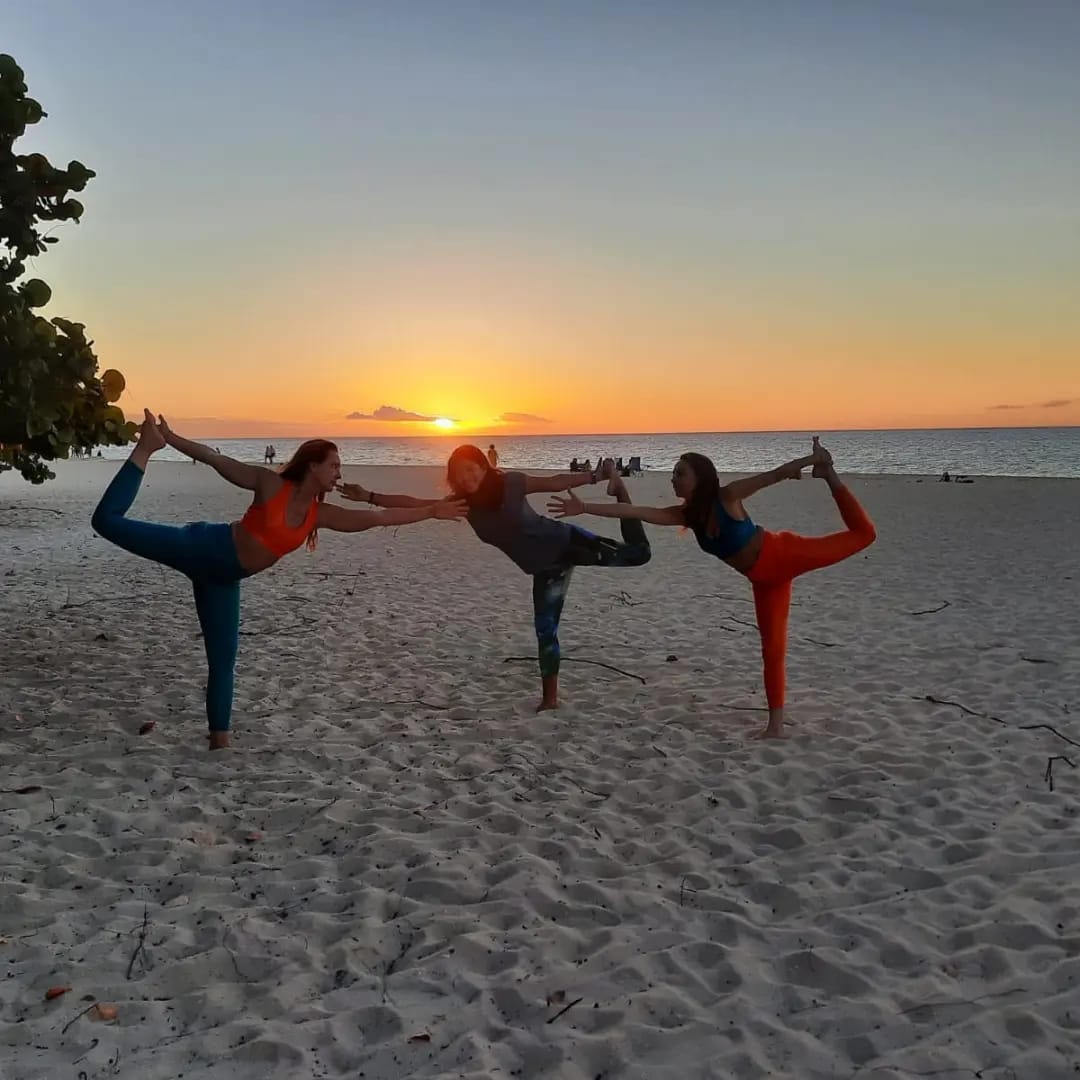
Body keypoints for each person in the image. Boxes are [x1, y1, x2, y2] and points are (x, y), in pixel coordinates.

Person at [91, 410, 467, 750]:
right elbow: (213, 458)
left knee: (223, 661)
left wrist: (432, 510)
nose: (339, 472)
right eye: (334, 465)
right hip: (201, 547)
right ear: (314, 466)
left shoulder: (319, 515)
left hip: (224, 580)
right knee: (106, 522)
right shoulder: (269, 485)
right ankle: (144, 450)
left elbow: (380, 519)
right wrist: (168, 439)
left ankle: (219, 742)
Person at [549, 438, 876, 739]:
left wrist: (814, 460)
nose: (673, 478)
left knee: (864, 535)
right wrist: (585, 508)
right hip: (764, 581)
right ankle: (775, 725)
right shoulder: (686, 515)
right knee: (772, 650)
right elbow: (636, 512)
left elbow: (775, 475)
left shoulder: (727, 496)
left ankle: (828, 474)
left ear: (699, 478)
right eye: (674, 473)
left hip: (786, 554)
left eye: (680, 473)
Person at [337, 449, 651, 712]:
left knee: (639, 554)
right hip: (545, 569)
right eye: (459, 474)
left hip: (568, 542)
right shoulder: (465, 505)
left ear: (484, 468)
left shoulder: (511, 483)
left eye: (471, 470)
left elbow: (552, 482)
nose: (467, 478)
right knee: (545, 630)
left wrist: (595, 477)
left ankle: (622, 494)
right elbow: (415, 503)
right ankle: (550, 700)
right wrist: (370, 496)